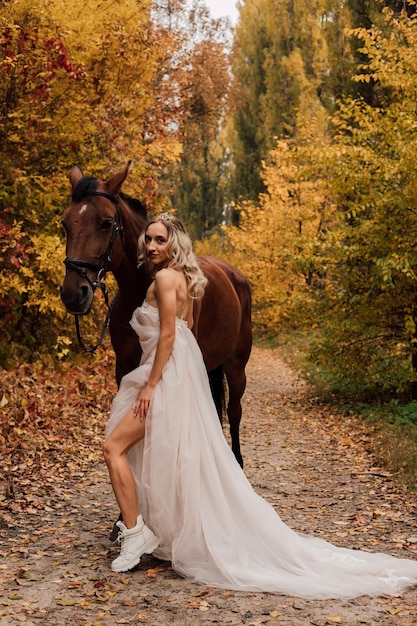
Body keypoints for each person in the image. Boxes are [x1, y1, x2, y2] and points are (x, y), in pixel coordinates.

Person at [103, 213, 417, 599]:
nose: (151, 246)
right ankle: (150, 527)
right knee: (160, 452)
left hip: (165, 375)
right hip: (178, 372)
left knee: (113, 446)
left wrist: (151, 385)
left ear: (174, 243)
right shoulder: (186, 279)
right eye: (148, 239)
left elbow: (169, 335)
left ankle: (136, 534)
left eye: (159, 240)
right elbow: (189, 334)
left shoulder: (166, 279)